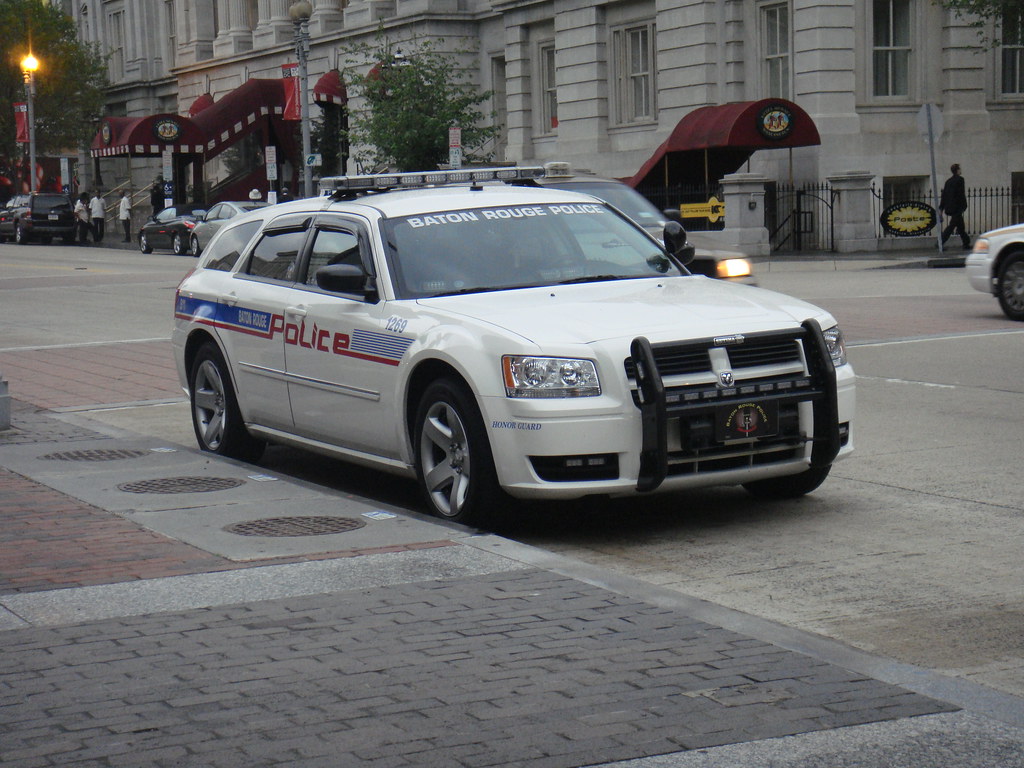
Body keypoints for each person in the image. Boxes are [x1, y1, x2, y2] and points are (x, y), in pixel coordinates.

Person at [939, 163, 970, 249]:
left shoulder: (948, 181)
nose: (961, 171)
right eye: (960, 169)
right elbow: (961, 194)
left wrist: (941, 208)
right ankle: (940, 242)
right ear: (957, 170)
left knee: (960, 226)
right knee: (952, 226)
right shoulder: (960, 180)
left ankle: (966, 243)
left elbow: (944, 195)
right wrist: (964, 206)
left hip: (950, 207)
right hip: (957, 207)